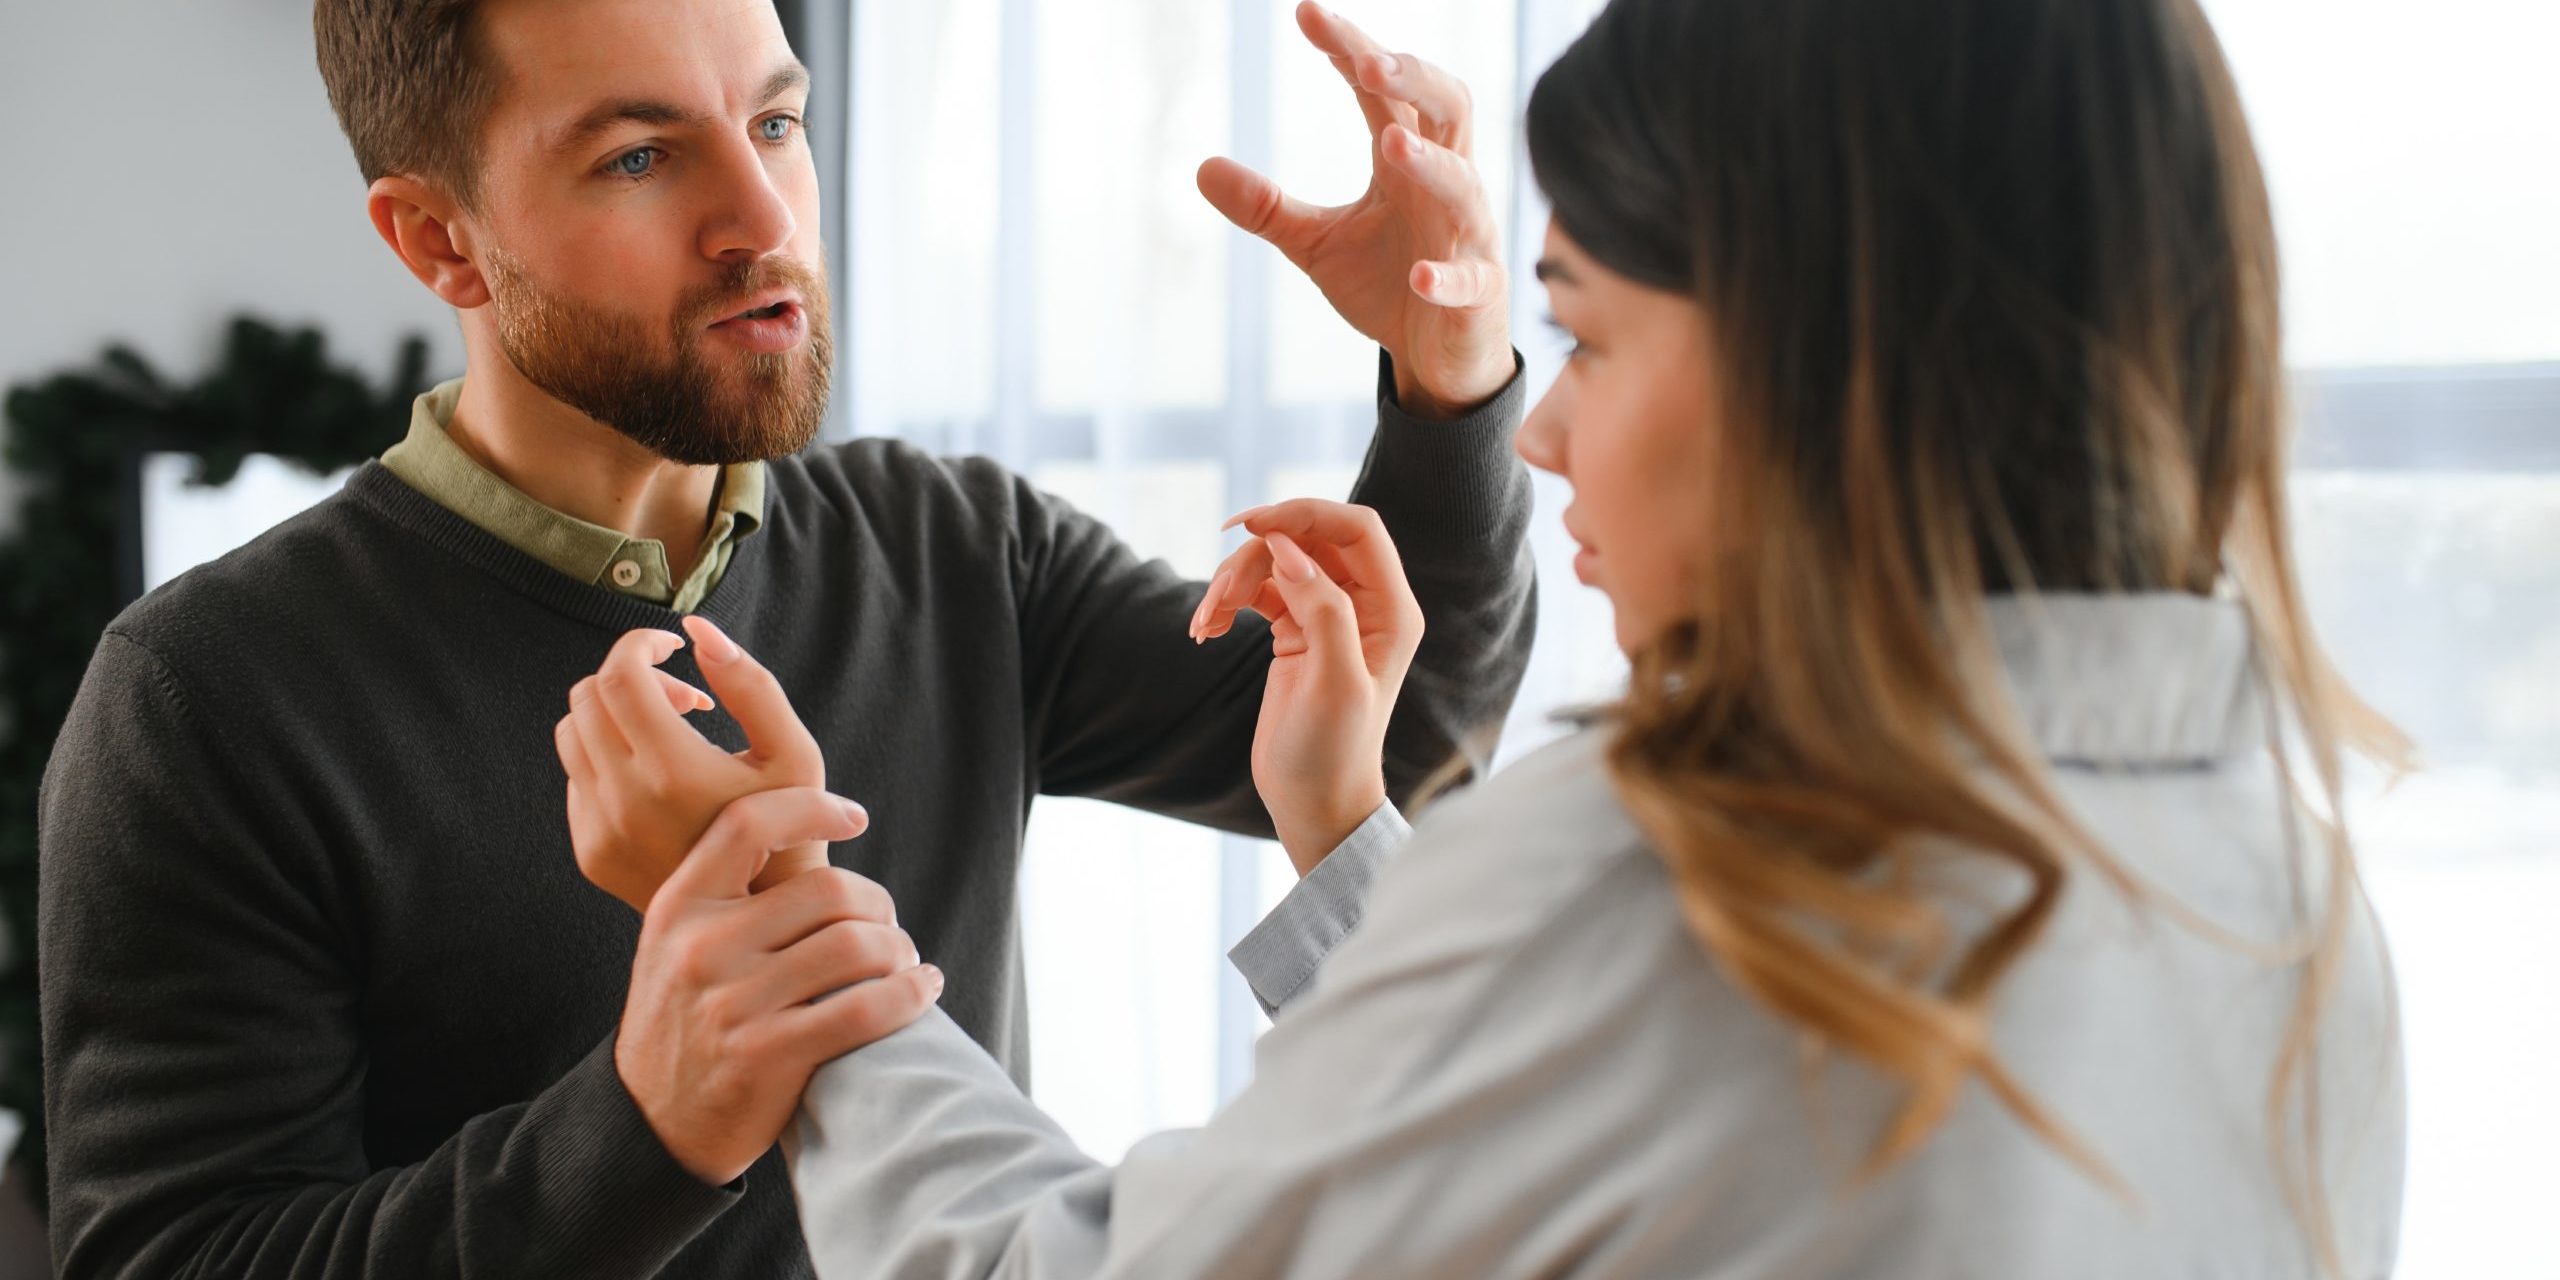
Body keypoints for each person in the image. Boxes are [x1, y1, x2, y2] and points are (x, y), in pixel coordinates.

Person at [562, 0, 2412, 1275]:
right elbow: (1600, 1127)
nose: (1546, 428)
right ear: (441, 244)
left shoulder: (1675, 869)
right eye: (642, 153)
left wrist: (777, 934)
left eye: (1586, 336)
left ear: (1830, 364)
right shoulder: (2291, 901)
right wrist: (1345, 835)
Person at [34, 0, 1534, 1275]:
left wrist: (1448, 366)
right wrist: (646, 1126)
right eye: (639, 156)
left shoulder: (951, 546)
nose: (764, 222)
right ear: (441, 241)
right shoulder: (205, 695)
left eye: (774, 123)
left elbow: (1385, 738)